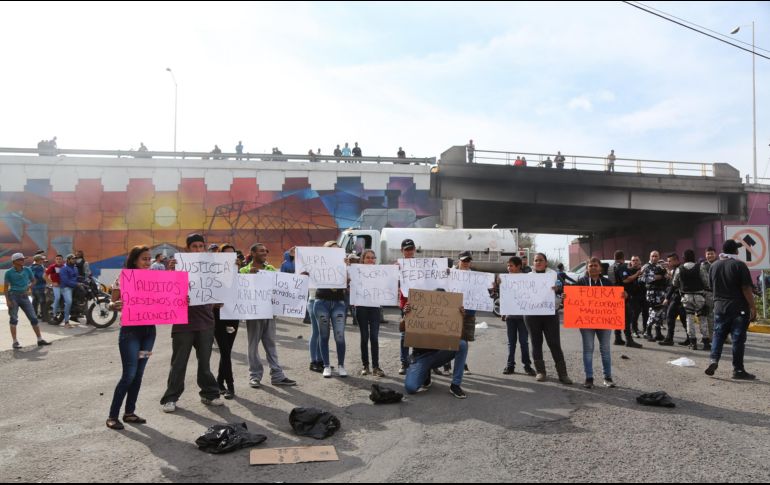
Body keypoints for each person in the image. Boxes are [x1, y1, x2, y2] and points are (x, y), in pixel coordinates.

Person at [160, 233, 225, 413]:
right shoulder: (178, 266)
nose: (197, 249)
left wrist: (230, 273)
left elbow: (222, 287)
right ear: (187, 248)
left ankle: (209, 394)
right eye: (194, 246)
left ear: (204, 248)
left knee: (205, 363)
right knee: (179, 363)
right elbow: (165, 292)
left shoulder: (212, 266)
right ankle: (170, 397)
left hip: (206, 322)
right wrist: (170, 273)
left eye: (200, 246)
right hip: (183, 323)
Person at [105, 246, 157, 430]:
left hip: (149, 333)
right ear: (134, 260)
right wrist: (115, 305)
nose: (148, 262)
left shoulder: (156, 279)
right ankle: (112, 416)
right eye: (144, 258)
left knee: (139, 374)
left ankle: (129, 413)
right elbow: (111, 303)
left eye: (149, 258)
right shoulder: (124, 278)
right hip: (130, 333)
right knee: (129, 374)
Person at [241, 243, 297, 388]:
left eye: (265, 250)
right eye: (261, 251)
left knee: (271, 345)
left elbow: (281, 288)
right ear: (252, 253)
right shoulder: (243, 271)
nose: (264, 252)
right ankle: (255, 376)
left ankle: (277, 375)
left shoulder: (271, 269)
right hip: (253, 314)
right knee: (253, 346)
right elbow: (240, 292)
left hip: (269, 313)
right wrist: (249, 278)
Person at [705, 239, 756, 380]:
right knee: (738, 339)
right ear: (736, 251)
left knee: (718, 335)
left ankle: (713, 360)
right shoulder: (739, 265)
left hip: (719, 308)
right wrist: (753, 307)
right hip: (738, 309)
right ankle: (738, 370)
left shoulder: (714, 266)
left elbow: (711, 286)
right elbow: (746, 288)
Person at [403, 296, 469, 399]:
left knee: (462, 344)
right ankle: (425, 373)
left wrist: (460, 318)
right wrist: (406, 316)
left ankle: (455, 385)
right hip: (421, 357)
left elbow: (463, 337)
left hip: (439, 354)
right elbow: (401, 329)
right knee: (410, 388)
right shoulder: (418, 311)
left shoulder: (448, 316)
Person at [524, 253, 572, 384]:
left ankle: (563, 374)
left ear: (546, 262)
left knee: (554, 343)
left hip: (550, 314)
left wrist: (558, 290)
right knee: (536, 342)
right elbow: (518, 292)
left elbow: (564, 292)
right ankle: (540, 371)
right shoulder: (527, 277)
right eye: (535, 260)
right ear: (533, 263)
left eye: (540, 260)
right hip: (532, 315)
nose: (538, 262)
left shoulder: (554, 275)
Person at [575, 258, 616, 389]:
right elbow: (572, 299)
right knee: (588, 349)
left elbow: (616, 301)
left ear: (600, 268)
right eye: (590, 265)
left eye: (595, 265)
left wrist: (623, 296)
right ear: (587, 268)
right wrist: (566, 296)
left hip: (605, 321)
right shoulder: (581, 282)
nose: (592, 267)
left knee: (605, 349)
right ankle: (589, 378)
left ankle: (608, 377)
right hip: (586, 322)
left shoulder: (608, 283)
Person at [312, 240, 349, 378]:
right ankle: (326, 366)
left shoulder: (343, 264)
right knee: (324, 335)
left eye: (337, 249)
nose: (334, 251)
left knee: (339, 336)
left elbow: (348, 282)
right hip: (321, 302)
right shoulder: (318, 264)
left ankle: (341, 365)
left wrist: (347, 268)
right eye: (331, 249)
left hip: (338, 302)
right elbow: (306, 273)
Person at [4, 253, 51, 349]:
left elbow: (34, 280)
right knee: (13, 319)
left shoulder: (27, 269)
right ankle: (15, 342)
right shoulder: (8, 272)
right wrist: (7, 301)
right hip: (13, 296)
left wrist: (29, 286)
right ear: (14, 262)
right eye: (20, 259)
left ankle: (39, 339)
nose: (23, 261)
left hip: (25, 297)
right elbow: (5, 288)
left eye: (23, 259)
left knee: (33, 318)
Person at [502, 256, 536, 376]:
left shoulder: (527, 278)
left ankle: (527, 365)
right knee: (511, 342)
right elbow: (504, 296)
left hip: (523, 317)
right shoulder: (505, 279)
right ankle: (510, 365)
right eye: (508, 266)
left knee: (524, 342)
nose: (509, 268)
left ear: (518, 266)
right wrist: (504, 311)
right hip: (510, 317)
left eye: (511, 265)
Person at [355, 249, 386, 377]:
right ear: (363, 259)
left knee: (374, 337)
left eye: (373, 258)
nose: (371, 260)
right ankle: (365, 365)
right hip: (361, 307)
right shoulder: (356, 271)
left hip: (374, 307)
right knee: (364, 337)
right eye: (368, 257)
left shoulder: (379, 272)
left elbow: (387, 283)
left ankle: (376, 366)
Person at [673, 249, 711, 351]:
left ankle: (693, 342)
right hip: (699, 296)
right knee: (702, 319)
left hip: (686, 297)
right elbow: (706, 281)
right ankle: (706, 342)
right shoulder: (700, 267)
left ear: (684, 257)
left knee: (689, 319)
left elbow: (674, 283)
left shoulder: (679, 269)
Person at [659, 253, 687, 346]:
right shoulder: (678, 269)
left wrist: (667, 298)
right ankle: (689, 339)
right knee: (683, 319)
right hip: (681, 298)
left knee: (670, 317)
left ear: (676, 260)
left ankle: (669, 339)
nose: (668, 263)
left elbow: (673, 286)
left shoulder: (678, 269)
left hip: (677, 298)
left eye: (670, 261)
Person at [398, 238, 416, 375]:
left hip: (421, 304)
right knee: (405, 335)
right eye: (406, 249)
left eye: (411, 249)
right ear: (402, 251)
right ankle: (404, 362)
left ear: (414, 250)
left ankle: (416, 361)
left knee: (419, 335)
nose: (409, 252)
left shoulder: (422, 265)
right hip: (405, 304)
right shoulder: (397, 265)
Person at [641, 250, 667, 341]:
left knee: (660, 313)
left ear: (659, 257)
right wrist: (655, 277)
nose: (654, 258)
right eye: (652, 256)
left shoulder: (661, 266)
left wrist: (665, 274)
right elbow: (642, 278)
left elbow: (667, 276)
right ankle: (647, 332)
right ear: (650, 257)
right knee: (654, 312)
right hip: (652, 292)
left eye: (656, 256)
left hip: (661, 292)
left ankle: (658, 333)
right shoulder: (646, 267)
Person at [59, 254, 80, 328]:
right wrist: (76, 284)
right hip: (66, 287)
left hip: (74, 286)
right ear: (68, 260)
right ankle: (66, 322)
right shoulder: (64, 268)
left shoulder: (75, 268)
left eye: (75, 259)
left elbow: (77, 278)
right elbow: (65, 281)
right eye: (72, 259)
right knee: (69, 302)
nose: (74, 260)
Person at [44, 255, 65, 324]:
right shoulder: (52, 267)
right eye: (57, 259)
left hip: (64, 286)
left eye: (60, 259)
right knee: (57, 297)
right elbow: (45, 276)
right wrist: (52, 283)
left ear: (62, 260)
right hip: (56, 286)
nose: (59, 260)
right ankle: (53, 311)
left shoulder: (64, 267)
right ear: (55, 260)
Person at [30, 254, 47, 319]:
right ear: (38, 260)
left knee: (35, 301)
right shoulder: (39, 267)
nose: (43, 260)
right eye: (42, 259)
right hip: (40, 286)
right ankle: (44, 316)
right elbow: (42, 276)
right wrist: (46, 273)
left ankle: (34, 315)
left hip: (33, 287)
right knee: (43, 301)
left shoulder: (31, 267)